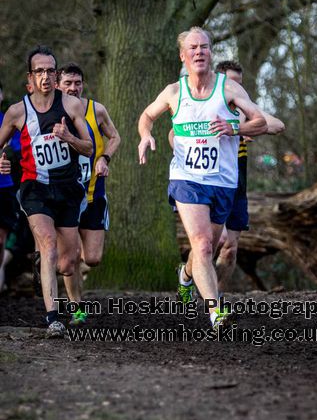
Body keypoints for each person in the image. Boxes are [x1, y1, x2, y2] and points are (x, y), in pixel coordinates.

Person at [138, 26, 266, 328]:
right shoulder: (173, 91)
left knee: (206, 244)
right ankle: (215, 311)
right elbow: (146, 116)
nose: (199, 52)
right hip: (186, 178)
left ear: (211, 53)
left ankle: (185, 274)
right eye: (193, 48)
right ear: (183, 56)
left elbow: (259, 121)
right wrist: (145, 136)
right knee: (204, 244)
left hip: (222, 181)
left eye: (204, 47)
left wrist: (234, 128)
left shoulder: (229, 89)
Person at [0, 45, 92, 337]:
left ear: (56, 74)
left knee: (68, 262)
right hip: (34, 189)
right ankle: (53, 318)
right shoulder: (17, 112)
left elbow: (89, 147)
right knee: (49, 244)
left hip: (67, 190)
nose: (46, 76)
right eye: (39, 71)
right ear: (30, 76)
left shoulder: (71, 105)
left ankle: (62, 288)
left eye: (50, 70)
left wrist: (68, 137)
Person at [56, 62, 121, 325]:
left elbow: (115, 137)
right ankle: (77, 309)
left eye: (77, 83)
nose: (73, 88)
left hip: (94, 193)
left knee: (92, 259)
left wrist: (104, 157)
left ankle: (66, 252)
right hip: (65, 197)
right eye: (68, 83)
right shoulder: (51, 112)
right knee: (69, 260)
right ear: (58, 85)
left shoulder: (97, 109)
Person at [213, 61, 285, 294]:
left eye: (240, 84)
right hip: (211, 181)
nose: (237, 89)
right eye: (232, 83)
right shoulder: (207, 105)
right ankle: (189, 278)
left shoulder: (245, 111)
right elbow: (174, 135)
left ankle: (215, 301)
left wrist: (241, 129)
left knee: (230, 248)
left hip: (238, 184)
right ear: (219, 81)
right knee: (214, 241)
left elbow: (276, 125)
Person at [0, 81, 20, 293]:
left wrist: (9, 157)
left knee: (1, 241)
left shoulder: (8, 120)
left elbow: (19, 149)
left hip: (4, 187)